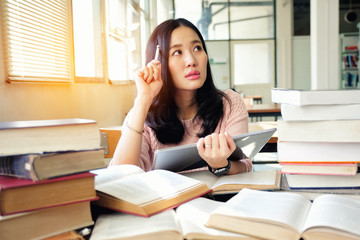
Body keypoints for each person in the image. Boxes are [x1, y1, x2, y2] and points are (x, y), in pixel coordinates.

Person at [109, 18, 251, 175]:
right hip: (165, 200)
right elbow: (120, 175)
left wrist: (221, 165)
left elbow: (244, 164)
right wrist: (143, 99)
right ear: (157, 63)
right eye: (177, 52)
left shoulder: (229, 103)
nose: (191, 61)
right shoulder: (141, 116)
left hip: (218, 199)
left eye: (197, 48)